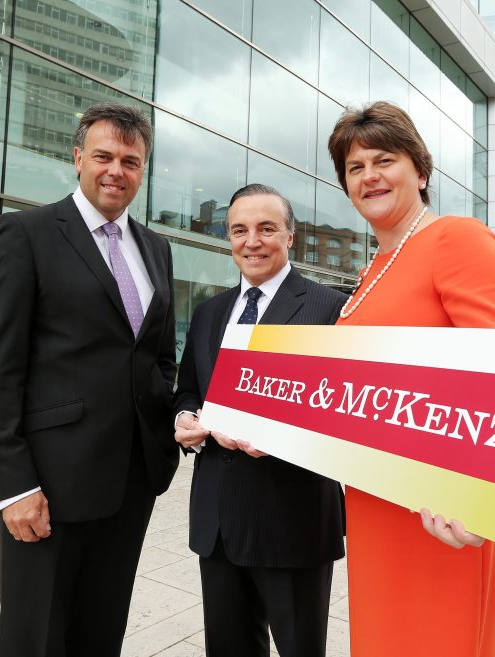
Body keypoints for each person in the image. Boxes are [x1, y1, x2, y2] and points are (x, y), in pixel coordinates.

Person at [0, 102, 178, 657]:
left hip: (132, 481)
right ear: (78, 157)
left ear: (143, 169)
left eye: (131, 161)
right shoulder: (26, 234)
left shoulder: (156, 249)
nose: (116, 170)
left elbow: (159, 356)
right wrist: (12, 486)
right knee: (35, 636)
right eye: (104, 156)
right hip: (49, 485)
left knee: (101, 630)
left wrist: (169, 427)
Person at [327, 101, 495, 657]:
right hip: (377, 498)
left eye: (383, 160)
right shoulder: (372, 271)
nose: (369, 176)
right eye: (355, 168)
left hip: (445, 508)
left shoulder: (458, 239)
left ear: (420, 170)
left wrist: (478, 493)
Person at [173, 183, 347, 657]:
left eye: (266, 228)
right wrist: (185, 416)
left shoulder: (330, 309)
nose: (252, 241)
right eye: (240, 230)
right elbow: (189, 387)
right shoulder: (211, 312)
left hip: (291, 517)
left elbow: (344, 408)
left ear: (290, 237)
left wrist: (284, 435)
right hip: (219, 520)